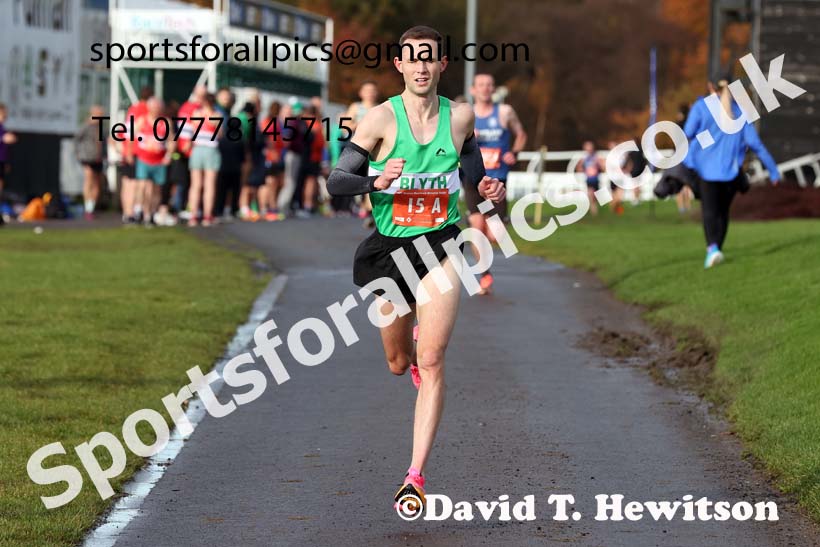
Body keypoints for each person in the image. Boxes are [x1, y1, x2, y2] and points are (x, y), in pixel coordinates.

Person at [326, 25, 505, 513]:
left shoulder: (461, 117)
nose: (422, 66)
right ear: (400, 65)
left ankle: (414, 476)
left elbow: (474, 175)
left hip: (444, 245)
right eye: (413, 58)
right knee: (399, 361)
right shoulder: (379, 121)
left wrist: (489, 191)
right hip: (390, 252)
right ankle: (410, 346)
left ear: (442, 64)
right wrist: (374, 180)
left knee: (432, 360)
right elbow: (336, 181)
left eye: (431, 58)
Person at [682, 79, 780, 268]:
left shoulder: (702, 106)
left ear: (710, 86)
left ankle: (712, 248)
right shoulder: (740, 112)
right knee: (722, 212)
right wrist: (773, 171)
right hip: (731, 172)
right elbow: (756, 145)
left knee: (709, 211)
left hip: (705, 171)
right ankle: (717, 247)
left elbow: (687, 132)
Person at [465, 73, 527, 293]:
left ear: (494, 89)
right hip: (473, 178)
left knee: (494, 234)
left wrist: (514, 152)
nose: (485, 88)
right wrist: (468, 136)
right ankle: (485, 275)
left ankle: (495, 227)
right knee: (476, 228)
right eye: (480, 85)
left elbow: (521, 134)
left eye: (489, 85)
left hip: (497, 179)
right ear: (473, 90)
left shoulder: (504, 112)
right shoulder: (466, 114)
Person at [345, 81, 380, 227]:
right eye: (367, 90)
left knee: (371, 177)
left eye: (373, 90)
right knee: (357, 177)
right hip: (358, 147)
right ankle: (360, 204)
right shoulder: (356, 107)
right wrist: (359, 126)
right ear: (361, 93)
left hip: (376, 149)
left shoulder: (380, 108)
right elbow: (345, 126)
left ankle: (369, 210)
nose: (370, 93)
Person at [134, 97, 174, 225]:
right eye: (154, 107)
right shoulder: (142, 121)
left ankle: (151, 213)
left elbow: (171, 140)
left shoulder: (166, 122)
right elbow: (133, 136)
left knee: (155, 189)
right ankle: (140, 210)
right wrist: (145, 142)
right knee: (143, 186)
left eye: (158, 108)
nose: (156, 110)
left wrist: (168, 155)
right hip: (144, 159)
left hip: (159, 161)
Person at [170, 85, 206, 220]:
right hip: (186, 151)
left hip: (197, 150)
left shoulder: (205, 109)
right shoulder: (188, 108)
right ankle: (178, 208)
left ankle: (191, 208)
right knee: (182, 182)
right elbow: (185, 130)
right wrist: (186, 143)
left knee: (195, 183)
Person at [186, 94, 222, 227]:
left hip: (202, 149)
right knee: (206, 185)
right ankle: (204, 215)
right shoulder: (215, 114)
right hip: (208, 149)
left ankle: (197, 215)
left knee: (199, 185)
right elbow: (220, 133)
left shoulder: (200, 113)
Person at [121, 86, 153, 223]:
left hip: (129, 150)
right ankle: (132, 213)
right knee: (134, 184)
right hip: (135, 151)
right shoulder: (143, 110)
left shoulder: (133, 109)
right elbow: (131, 133)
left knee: (128, 183)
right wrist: (129, 152)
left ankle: (128, 213)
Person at [74, 105, 106, 220]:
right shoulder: (86, 126)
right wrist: (78, 154)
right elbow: (77, 140)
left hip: (98, 158)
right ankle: (87, 207)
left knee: (97, 183)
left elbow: (104, 142)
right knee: (89, 180)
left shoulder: (101, 127)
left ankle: (91, 207)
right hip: (87, 157)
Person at [261, 101, 285, 221]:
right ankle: (268, 208)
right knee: (270, 183)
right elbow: (270, 139)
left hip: (275, 156)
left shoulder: (272, 122)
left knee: (275, 183)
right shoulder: (271, 122)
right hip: (271, 156)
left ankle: (271, 207)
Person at [0, 103, 18, 226]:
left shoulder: (2, 127)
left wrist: (6, 163)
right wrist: (4, 138)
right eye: (2, 113)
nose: (5, 115)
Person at [576, 140, 605, 216]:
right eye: (587, 147)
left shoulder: (596, 157)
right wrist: (584, 170)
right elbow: (579, 168)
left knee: (595, 198)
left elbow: (603, 168)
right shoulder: (584, 158)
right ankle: (594, 213)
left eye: (590, 147)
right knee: (591, 195)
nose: (588, 149)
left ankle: (592, 210)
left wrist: (599, 164)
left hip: (596, 180)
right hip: (589, 180)